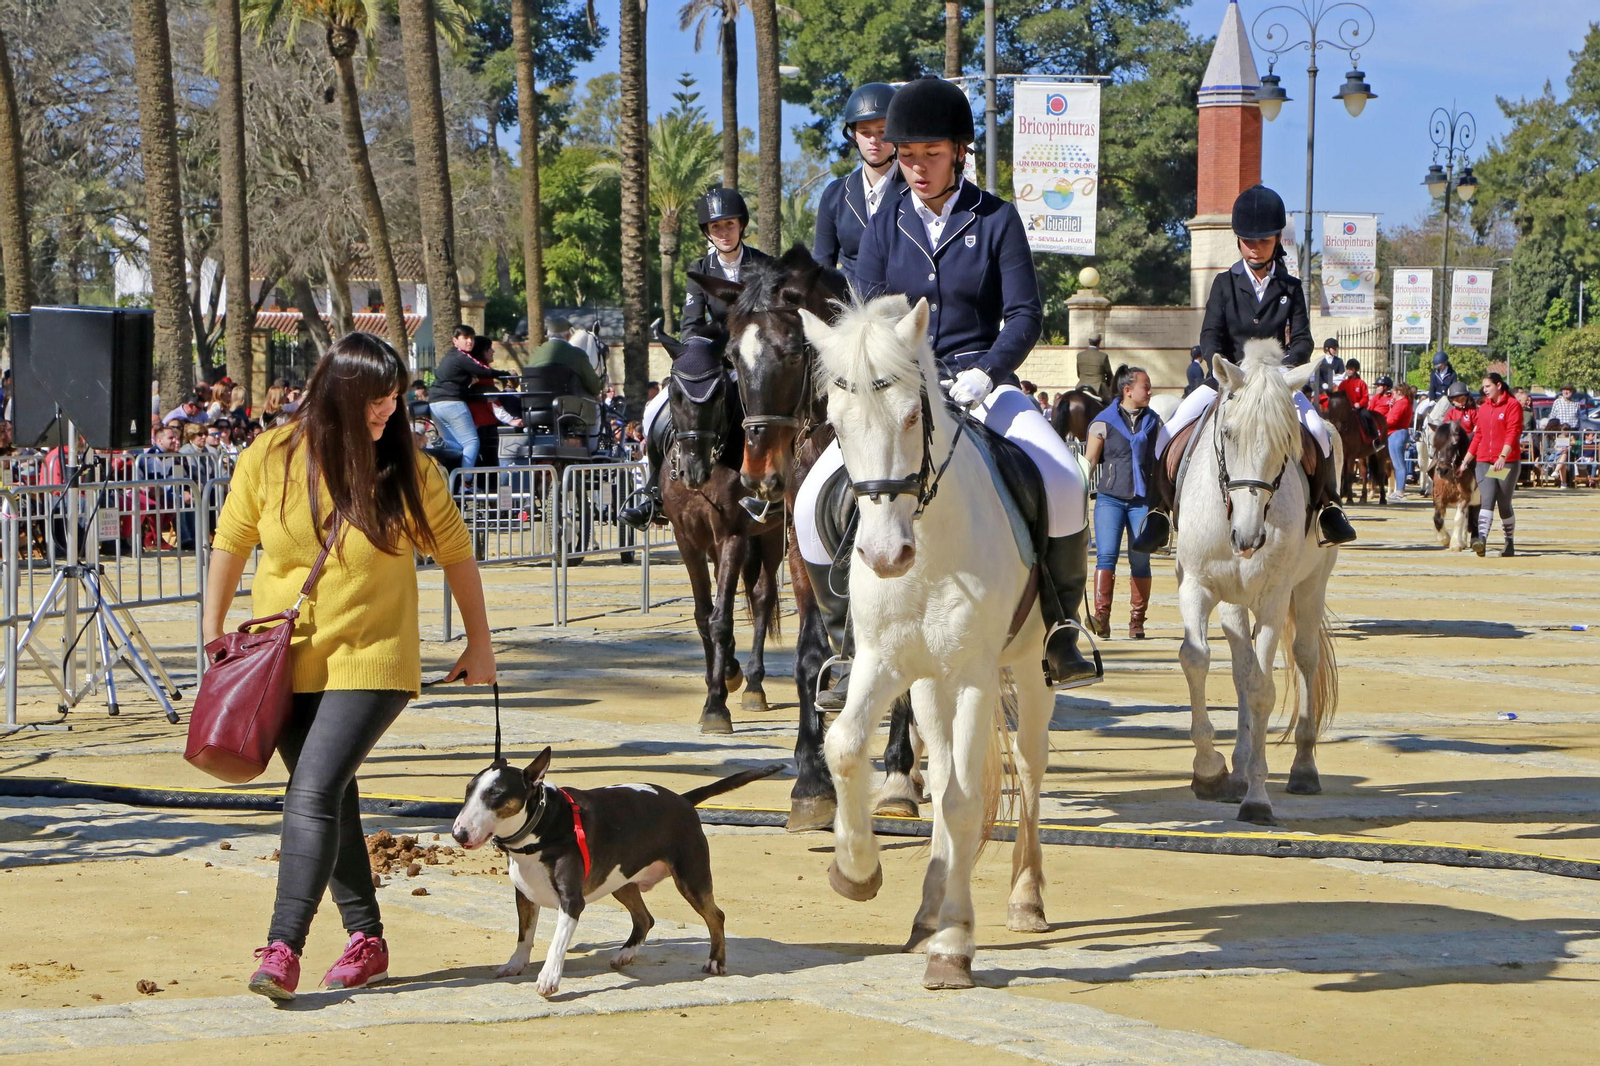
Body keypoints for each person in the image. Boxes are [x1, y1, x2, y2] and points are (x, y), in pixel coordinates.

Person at [203, 332, 495, 1003]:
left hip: (374, 657)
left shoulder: (408, 469)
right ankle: (367, 940)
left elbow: (456, 552)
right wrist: (212, 631)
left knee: (310, 794)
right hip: (281, 662)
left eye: (395, 398)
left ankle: (282, 947)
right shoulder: (269, 456)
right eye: (375, 400)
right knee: (331, 799)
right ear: (338, 394)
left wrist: (480, 643)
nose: (388, 411)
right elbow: (231, 541)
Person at [804, 74, 1096, 687]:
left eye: (930, 154)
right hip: (902, 391)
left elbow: (1024, 315)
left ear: (960, 151)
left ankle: (1061, 627)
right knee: (809, 504)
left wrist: (988, 373)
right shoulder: (884, 224)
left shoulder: (996, 219)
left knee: (1065, 479)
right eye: (907, 155)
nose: (916, 167)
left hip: (979, 381)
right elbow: (870, 312)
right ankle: (844, 642)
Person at [1147, 184, 1354, 548]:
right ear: (1239, 241)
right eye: (1248, 240)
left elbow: (1302, 339)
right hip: (1232, 380)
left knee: (1318, 433)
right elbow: (1210, 334)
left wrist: (1283, 370)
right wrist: (1225, 369)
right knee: (1170, 430)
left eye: (1263, 240)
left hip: (1275, 381)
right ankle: (1159, 511)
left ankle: (1328, 507)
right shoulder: (1224, 283)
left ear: (1276, 240)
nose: (1255, 247)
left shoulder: (1291, 287)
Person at [1085, 365, 1167, 640]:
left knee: (1140, 560)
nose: (1150, 392)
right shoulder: (1103, 422)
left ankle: (1137, 622)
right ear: (1128, 390)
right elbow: (1090, 461)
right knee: (1106, 556)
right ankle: (1101, 618)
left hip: (1142, 501)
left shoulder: (1155, 422)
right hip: (1109, 499)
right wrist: (1076, 493)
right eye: (1146, 387)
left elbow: (1162, 461)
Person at [813, 82, 904, 286]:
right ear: (854, 135)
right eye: (865, 132)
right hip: (850, 301)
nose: (874, 140)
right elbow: (822, 265)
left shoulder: (916, 192)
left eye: (882, 131)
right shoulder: (834, 195)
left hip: (901, 300)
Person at [680, 187, 773, 335]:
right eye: (715, 226)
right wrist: (693, 347)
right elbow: (691, 325)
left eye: (730, 223)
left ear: (741, 225)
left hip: (761, 342)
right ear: (707, 232)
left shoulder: (766, 264)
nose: (724, 233)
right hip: (721, 345)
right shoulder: (700, 270)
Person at [428, 325, 512, 469]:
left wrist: (468, 380)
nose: (470, 341)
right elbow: (484, 371)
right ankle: (466, 479)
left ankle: (443, 445)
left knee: (457, 445)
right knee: (472, 442)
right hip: (452, 402)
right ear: (455, 340)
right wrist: (506, 374)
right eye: (465, 338)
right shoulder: (461, 357)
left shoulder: (450, 357)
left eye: (472, 338)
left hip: (435, 404)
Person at [1460, 372, 1523, 557]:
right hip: (1484, 461)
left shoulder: (1513, 405)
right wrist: (1465, 461)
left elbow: (1513, 432)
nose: (1485, 390)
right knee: (1486, 499)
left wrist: (1503, 456)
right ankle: (1482, 540)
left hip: (1506, 462)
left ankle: (1509, 542)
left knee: (1503, 503)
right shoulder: (1484, 408)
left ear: (1499, 385)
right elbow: (1478, 435)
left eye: (1488, 386)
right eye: (1484, 387)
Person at [1369, 376, 1413, 498]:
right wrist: (1391, 408)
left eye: (1394, 391)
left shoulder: (1402, 403)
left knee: (1398, 464)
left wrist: (1381, 423)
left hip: (1396, 433)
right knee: (1397, 464)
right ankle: (1398, 491)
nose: (1392, 394)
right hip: (1395, 433)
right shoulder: (1401, 403)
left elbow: (1392, 420)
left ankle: (1400, 492)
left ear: (1399, 392)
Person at [1075, 334, 1114, 404]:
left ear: (1089, 342)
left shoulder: (1080, 355)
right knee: (1110, 403)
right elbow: (1109, 375)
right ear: (1099, 343)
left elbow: (1078, 374)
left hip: (1081, 386)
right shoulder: (1103, 356)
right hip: (1098, 388)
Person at [1309, 338, 1344, 403]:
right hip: (1322, 388)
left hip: (1335, 387)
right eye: (1334, 348)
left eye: (1336, 348)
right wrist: (1323, 384)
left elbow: (1341, 375)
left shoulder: (1339, 361)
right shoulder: (1320, 362)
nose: (1335, 350)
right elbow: (1318, 376)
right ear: (1327, 348)